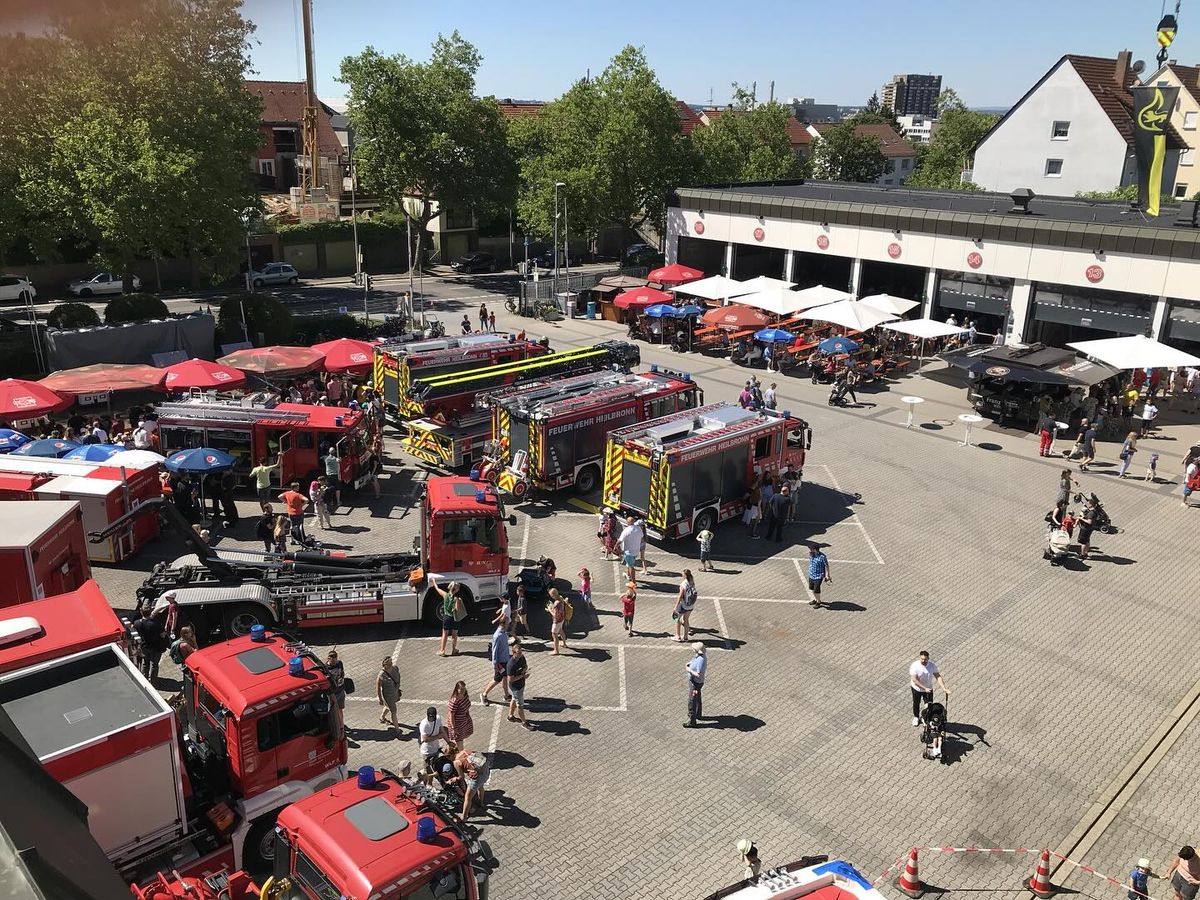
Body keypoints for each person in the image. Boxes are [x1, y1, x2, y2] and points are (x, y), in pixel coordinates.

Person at [909, 650, 948, 726]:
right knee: (916, 703)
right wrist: (924, 688)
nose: (923, 661)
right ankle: (916, 717)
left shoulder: (932, 665)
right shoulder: (915, 666)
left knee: (929, 704)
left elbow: (937, 676)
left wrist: (943, 687)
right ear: (919, 658)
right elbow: (915, 680)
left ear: (928, 658)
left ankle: (927, 718)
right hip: (917, 689)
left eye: (925, 659)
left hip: (928, 688)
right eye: (922, 659)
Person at [480, 620, 511, 706]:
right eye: (507, 624)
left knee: (505, 677)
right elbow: (494, 651)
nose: (508, 625)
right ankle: (484, 694)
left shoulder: (504, 633)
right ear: (502, 624)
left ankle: (506, 695)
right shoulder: (497, 635)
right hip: (500, 663)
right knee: (497, 679)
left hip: (505, 660)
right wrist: (495, 664)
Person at [430, 576, 463, 657]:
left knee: (445, 634)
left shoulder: (445, 595)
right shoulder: (457, 599)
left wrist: (433, 581)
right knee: (454, 634)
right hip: (455, 618)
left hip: (446, 617)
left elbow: (437, 588)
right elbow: (457, 610)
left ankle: (442, 650)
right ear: (456, 590)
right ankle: (454, 649)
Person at [506, 638, 534, 730]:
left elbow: (525, 666)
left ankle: (510, 716)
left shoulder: (521, 657)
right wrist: (522, 675)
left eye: (521, 652)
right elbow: (510, 680)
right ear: (513, 653)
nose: (520, 654)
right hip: (516, 687)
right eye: (518, 653)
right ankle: (524, 723)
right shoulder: (511, 665)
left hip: (521, 684)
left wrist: (524, 671)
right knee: (520, 705)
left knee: (514, 699)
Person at [683, 642, 706, 728]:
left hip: (695, 683)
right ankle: (698, 714)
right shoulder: (700, 656)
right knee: (697, 697)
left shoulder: (700, 660)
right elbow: (694, 661)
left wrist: (689, 669)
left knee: (692, 701)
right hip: (697, 683)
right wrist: (690, 663)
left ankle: (692, 721)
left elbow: (698, 674)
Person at [376, 656, 402, 732]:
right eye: (389, 664)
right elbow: (378, 688)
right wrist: (380, 699)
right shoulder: (381, 675)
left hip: (395, 692)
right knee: (393, 711)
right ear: (384, 665)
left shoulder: (395, 668)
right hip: (388, 696)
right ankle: (397, 729)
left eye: (391, 663)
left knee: (388, 706)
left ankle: (382, 717)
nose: (391, 665)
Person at [418, 705, 448, 770]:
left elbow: (442, 731)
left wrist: (448, 742)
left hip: (436, 748)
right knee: (428, 770)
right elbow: (425, 739)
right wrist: (439, 736)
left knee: (435, 767)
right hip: (427, 751)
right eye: (430, 717)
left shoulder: (438, 719)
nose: (431, 719)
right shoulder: (424, 724)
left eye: (433, 717)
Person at [278, 481, 308, 546]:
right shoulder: (298, 495)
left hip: (291, 513)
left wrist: (286, 501)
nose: (299, 488)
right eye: (298, 487)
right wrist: (302, 505)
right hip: (299, 512)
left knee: (292, 526)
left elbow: (279, 496)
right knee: (299, 526)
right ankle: (299, 539)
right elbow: (306, 500)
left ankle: (292, 539)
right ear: (295, 488)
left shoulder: (287, 493)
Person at [447, 681, 474, 750]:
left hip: (464, 719)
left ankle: (457, 750)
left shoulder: (464, 695)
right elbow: (451, 716)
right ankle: (461, 756)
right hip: (456, 724)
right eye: (461, 689)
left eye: (464, 689)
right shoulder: (454, 701)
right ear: (457, 689)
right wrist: (454, 728)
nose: (463, 691)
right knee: (459, 740)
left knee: (462, 737)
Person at [617, 516, 643, 584]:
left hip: (629, 552)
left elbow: (620, 540)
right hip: (636, 550)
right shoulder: (638, 528)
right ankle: (629, 576)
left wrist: (615, 546)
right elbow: (642, 536)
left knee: (631, 566)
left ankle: (633, 582)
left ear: (627, 522)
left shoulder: (626, 530)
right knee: (629, 564)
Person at [675, 569, 698, 642]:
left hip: (683, 605)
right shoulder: (692, 582)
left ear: (685, 575)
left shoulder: (683, 584)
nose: (682, 575)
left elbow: (680, 596)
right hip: (690, 605)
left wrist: (675, 606)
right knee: (686, 619)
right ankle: (685, 637)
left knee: (677, 619)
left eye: (682, 574)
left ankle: (677, 636)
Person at [806, 544, 832, 608]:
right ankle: (815, 599)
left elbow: (826, 566)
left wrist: (827, 575)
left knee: (816, 590)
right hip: (811, 574)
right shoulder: (811, 554)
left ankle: (818, 601)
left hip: (818, 576)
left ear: (815, 549)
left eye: (811, 549)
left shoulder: (822, 557)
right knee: (811, 588)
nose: (810, 550)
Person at [548, 587, 569, 655]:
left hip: (557, 621)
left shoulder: (557, 603)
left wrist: (550, 610)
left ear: (553, 595)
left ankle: (556, 651)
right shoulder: (561, 598)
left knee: (554, 635)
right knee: (561, 630)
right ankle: (564, 643)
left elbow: (555, 615)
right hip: (562, 619)